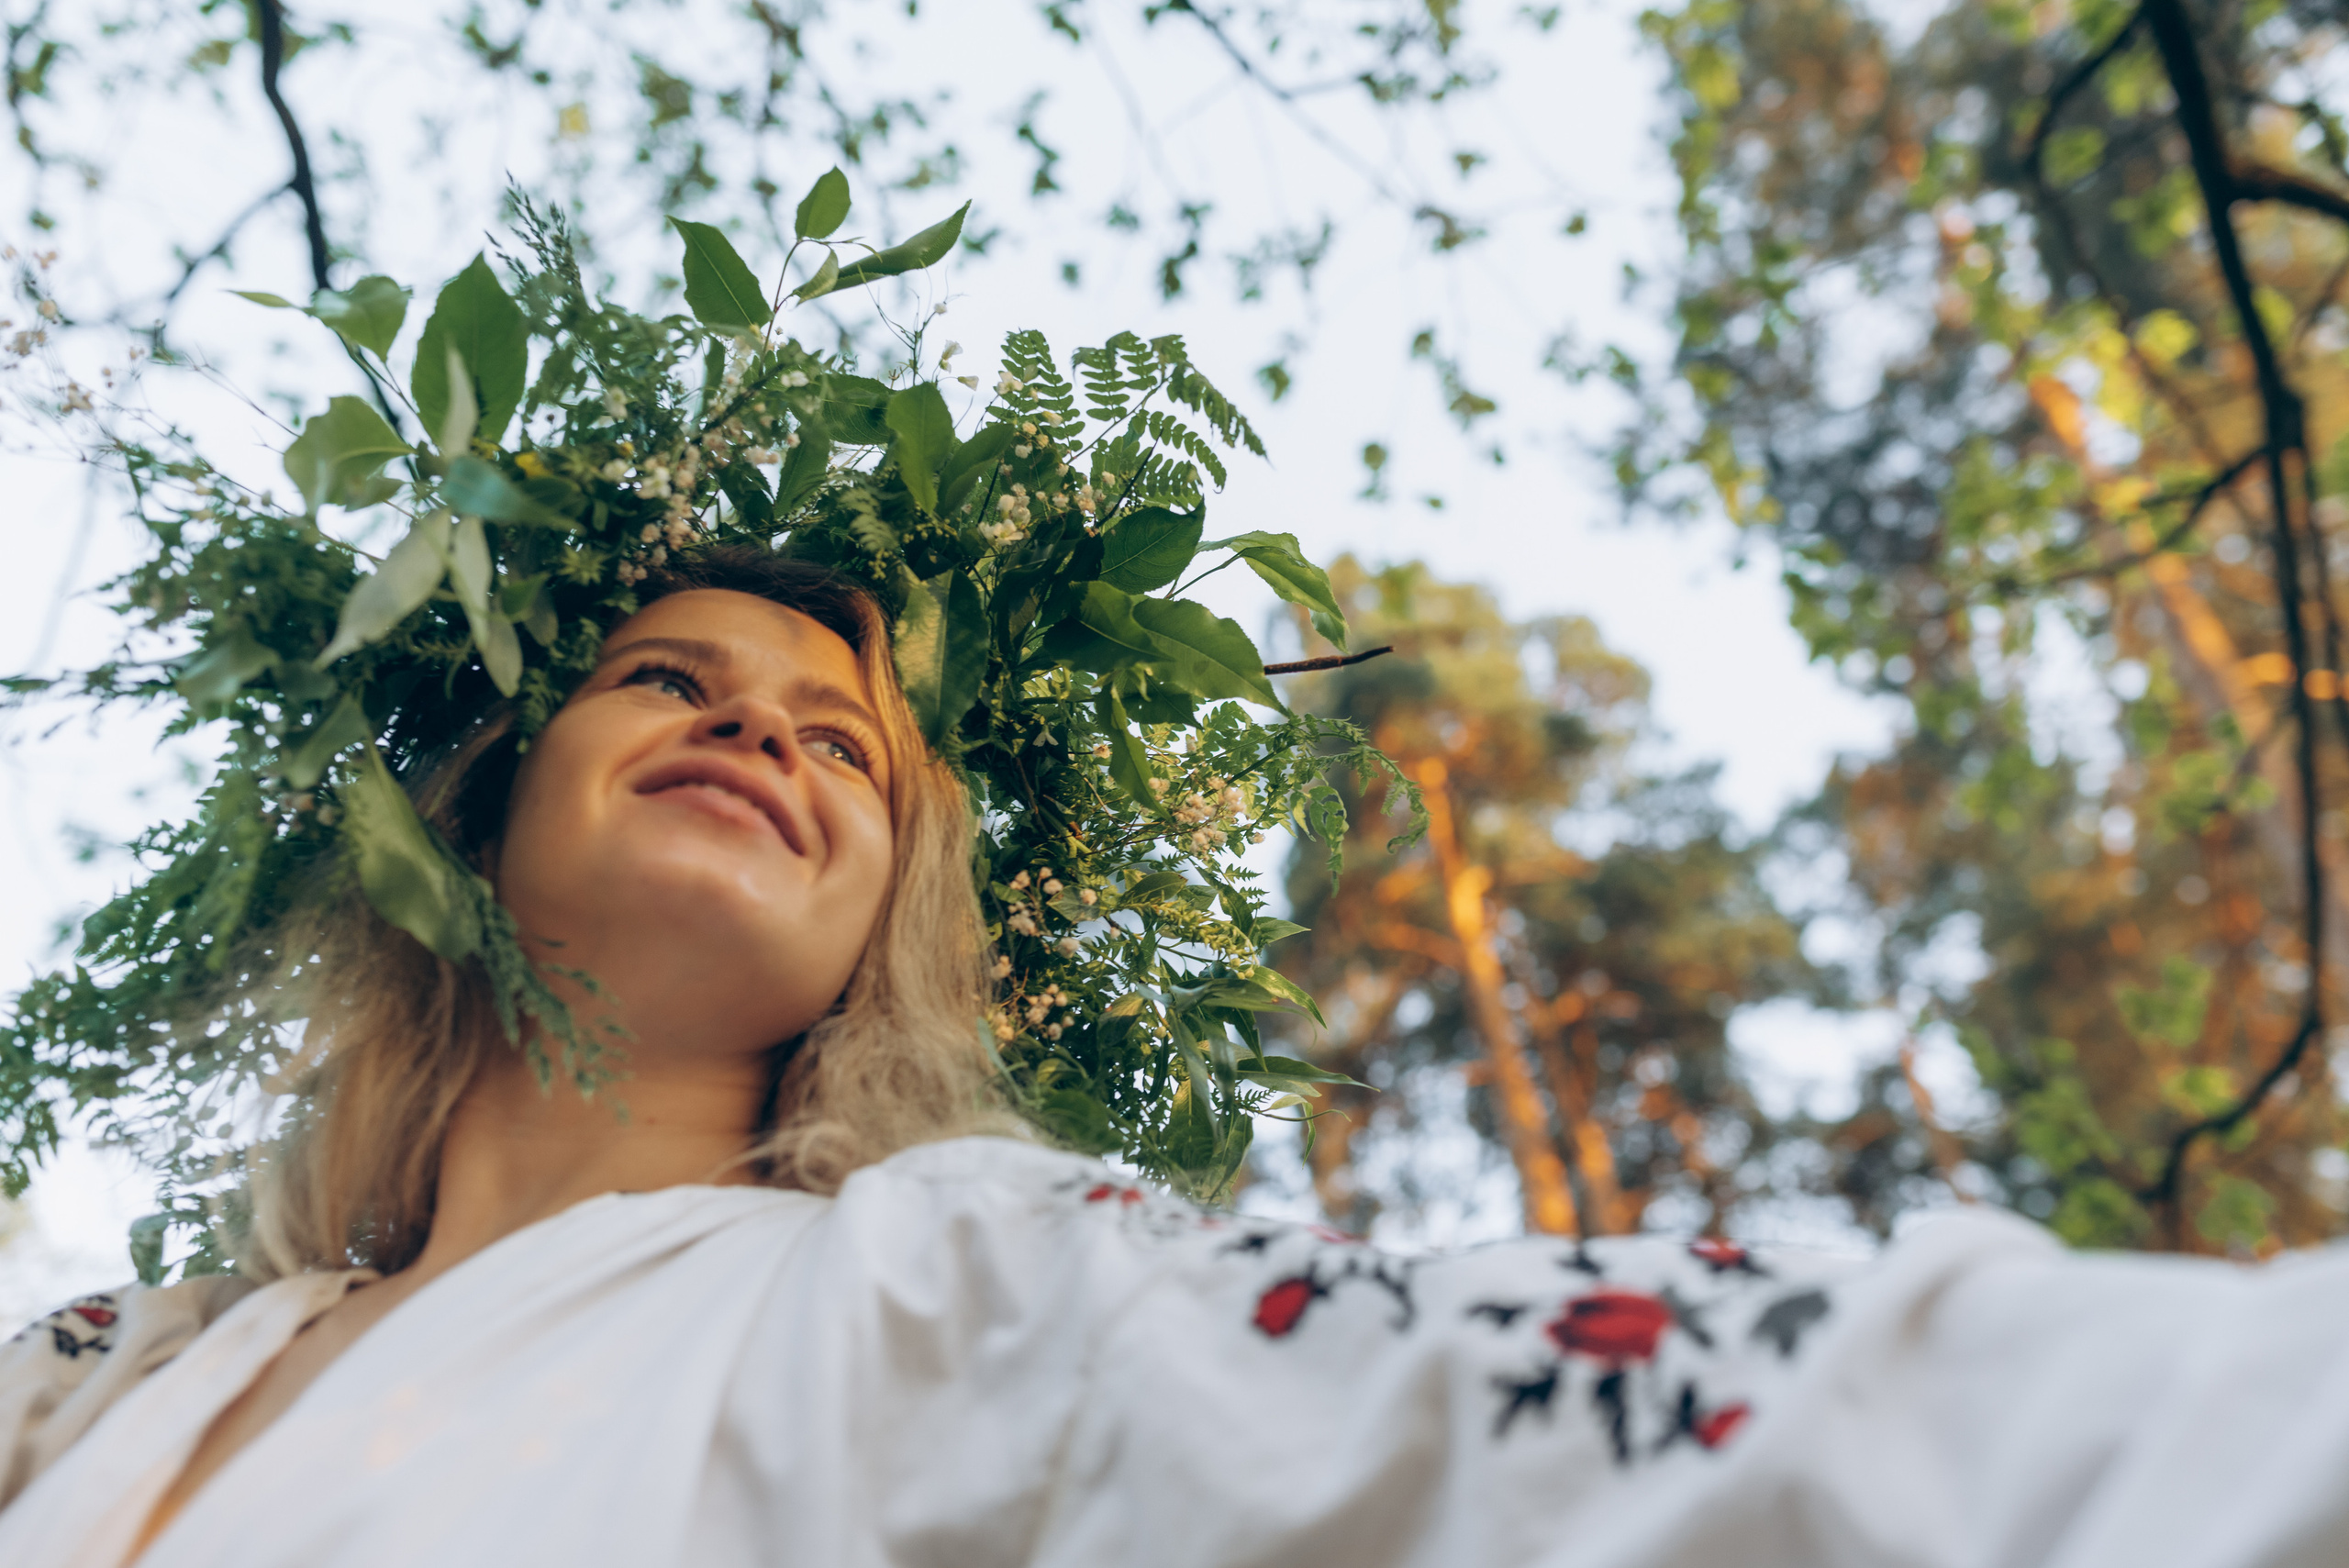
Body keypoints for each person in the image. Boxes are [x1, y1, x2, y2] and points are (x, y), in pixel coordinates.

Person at [4, 547, 2349, 1568]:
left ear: (878, 928)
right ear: (476, 799)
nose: (757, 727)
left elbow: (1540, 1411)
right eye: (666, 678)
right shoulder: (104, 1363)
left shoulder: (923, 1285)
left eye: (843, 743)